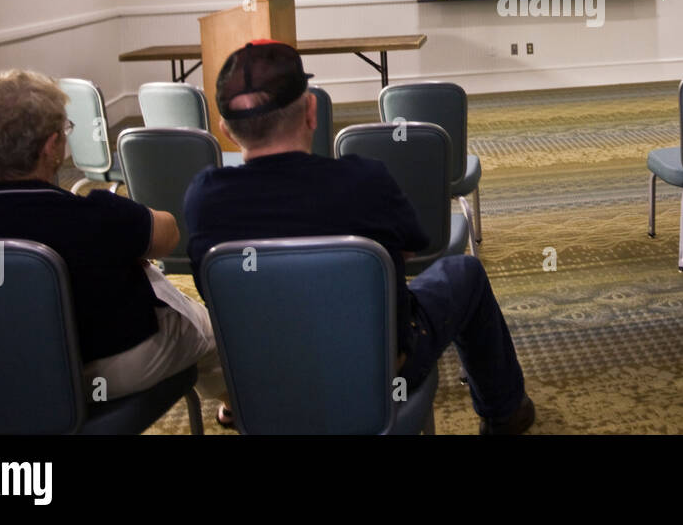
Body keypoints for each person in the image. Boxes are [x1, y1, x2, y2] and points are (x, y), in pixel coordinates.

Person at [183, 40, 534, 434]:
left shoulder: (203, 198)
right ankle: (505, 413)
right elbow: (408, 252)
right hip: (381, 372)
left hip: (263, 379)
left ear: (225, 129)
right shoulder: (363, 181)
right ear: (312, 112)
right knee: (464, 272)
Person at [0, 70, 224, 403]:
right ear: (51, 146)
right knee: (213, 330)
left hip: (3, 369)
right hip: (108, 366)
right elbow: (168, 236)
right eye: (64, 131)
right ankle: (232, 407)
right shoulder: (97, 213)